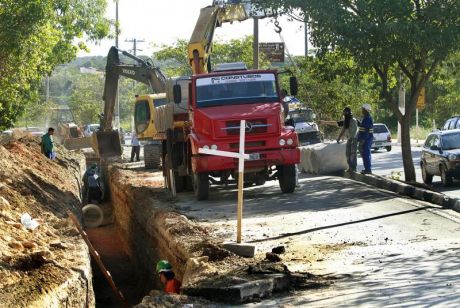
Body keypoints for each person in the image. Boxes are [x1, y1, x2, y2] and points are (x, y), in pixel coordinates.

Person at [336, 107, 359, 172]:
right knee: (347, 153)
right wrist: (339, 137)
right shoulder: (346, 121)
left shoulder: (353, 120)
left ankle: (354, 168)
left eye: (345, 113)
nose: (344, 114)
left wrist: (352, 139)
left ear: (348, 113)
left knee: (353, 154)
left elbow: (355, 131)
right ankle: (350, 167)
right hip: (349, 139)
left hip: (353, 139)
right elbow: (343, 129)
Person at [357, 104, 374, 174]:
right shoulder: (366, 118)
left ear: (366, 110)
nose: (362, 111)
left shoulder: (367, 118)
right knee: (366, 153)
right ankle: (367, 169)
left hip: (366, 139)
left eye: (363, 109)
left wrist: (362, 141)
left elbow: (366, 131)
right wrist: (359, 123)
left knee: (365, 153)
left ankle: (368, 169)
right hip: (367, 138)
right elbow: (363, 128)